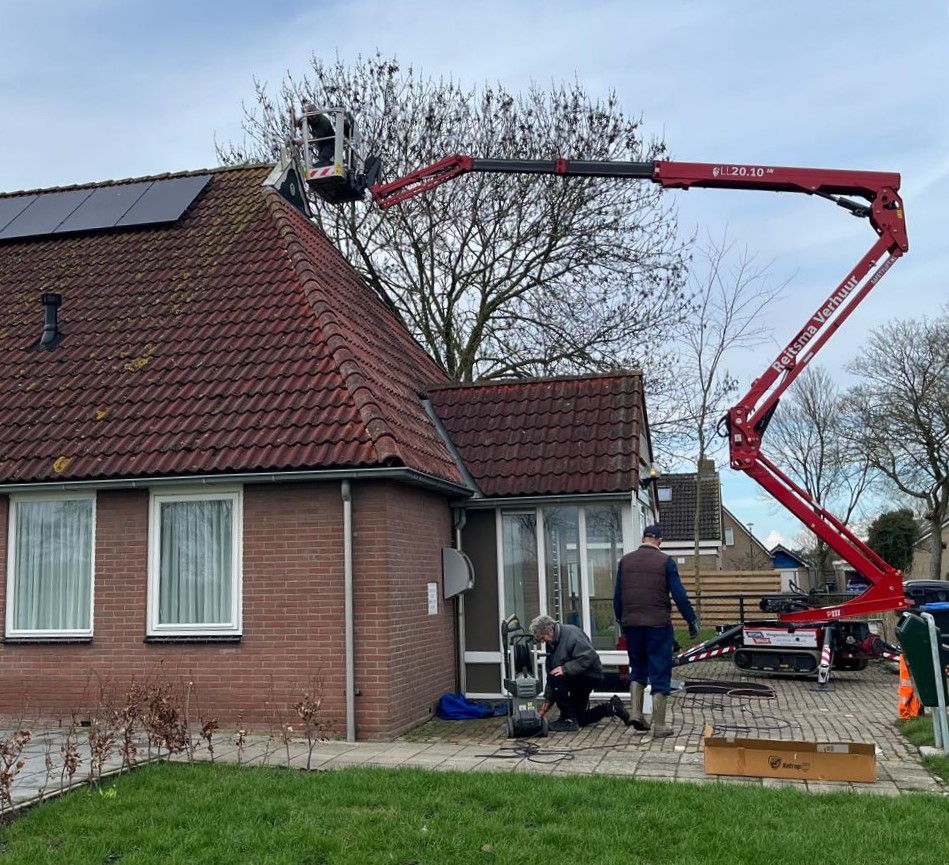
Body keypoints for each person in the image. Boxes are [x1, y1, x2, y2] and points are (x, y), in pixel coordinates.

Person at [613, 524, 698, 737]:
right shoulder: (665, 561)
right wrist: (691, 620)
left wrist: (621, 619)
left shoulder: (625, 561)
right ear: (660, 541)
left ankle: (636, 713)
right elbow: (679, 594)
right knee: (660, 669)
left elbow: (617, 596)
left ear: (643, 539)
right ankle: (659, 725)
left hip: (632, 624)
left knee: (637, 667)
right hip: (658, 625)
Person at [529, 614, 631, 733]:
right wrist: (548, 700)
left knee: (556, 676)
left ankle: (567, 719)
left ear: (550, 629)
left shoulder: (572, 634)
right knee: (579, 718)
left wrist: (565, 669)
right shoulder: (551, 643)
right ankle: (611, 707)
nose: (542, 641)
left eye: (542, 637)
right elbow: (551, 670)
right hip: (577, 675)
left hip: (588, 675)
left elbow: (588, 656)